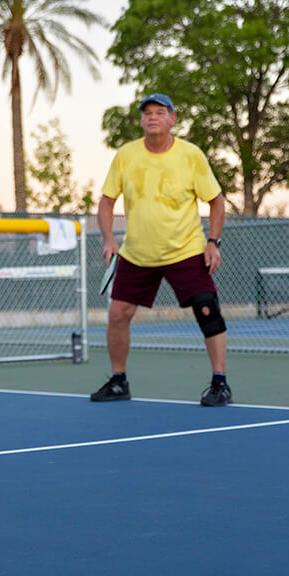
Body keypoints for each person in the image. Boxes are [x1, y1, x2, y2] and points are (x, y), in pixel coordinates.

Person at [92, 94, 231, 406]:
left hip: (185, 250)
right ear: (141, 121)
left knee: (207, 309)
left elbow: (216, 200)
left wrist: (213, 242)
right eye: (147, 113)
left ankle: (220, 384)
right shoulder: (126, 155)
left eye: (159, 112)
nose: (152, 117)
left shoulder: (191, 155)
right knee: (117, 315)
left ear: (172, 119)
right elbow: (106, 201)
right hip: (137, 253)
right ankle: (118, 381)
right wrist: (108, 239)